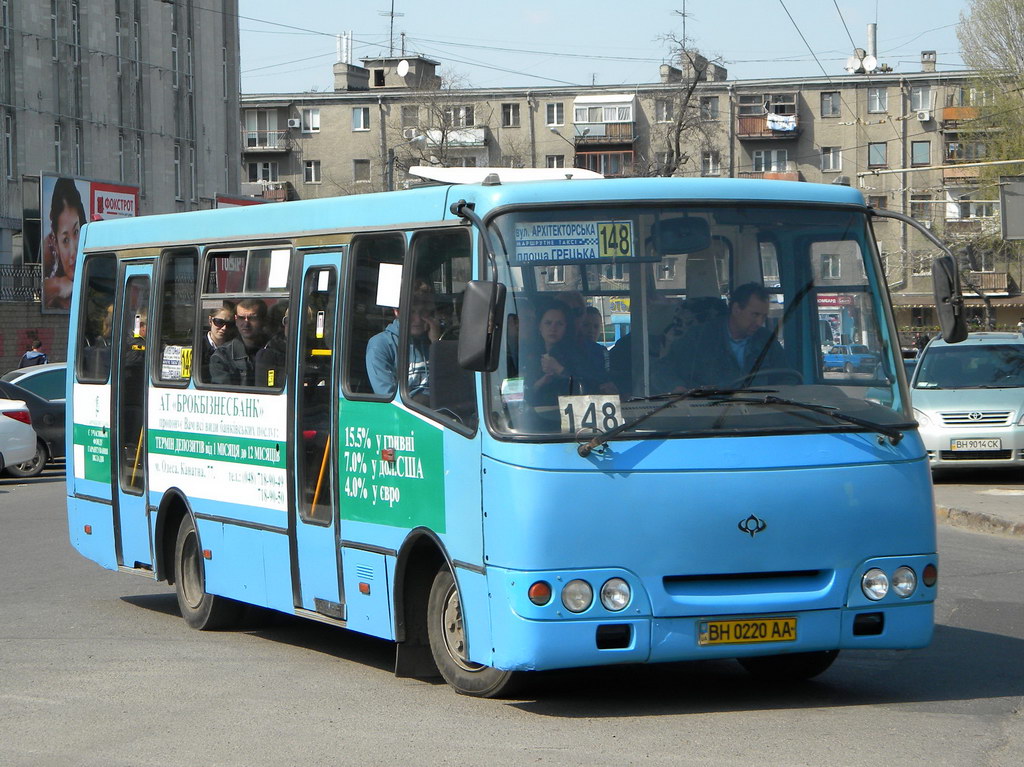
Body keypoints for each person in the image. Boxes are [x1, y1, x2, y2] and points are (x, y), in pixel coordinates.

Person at [654, 282, 787, 390]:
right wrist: (677, 388)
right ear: (736, 309)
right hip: (710, 416)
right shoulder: (699, 337)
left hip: (759, 414)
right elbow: (663, 369)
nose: (759, 322)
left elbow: (787, 377)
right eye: (755, 315)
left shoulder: (766, 340)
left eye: (763, 316)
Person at [366, 284, 440, 399]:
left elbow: (451, 384)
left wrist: (436, 344)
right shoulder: (381, 344)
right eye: (411, 312)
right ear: (397, 312)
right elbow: (387, 396)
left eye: (423, 312)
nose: (418, 319)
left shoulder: (433, 340)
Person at [43, 178, 87, 311]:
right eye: (65, 240)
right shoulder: (47, 250)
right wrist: (58, 285)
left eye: (76, 232)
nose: (73, 251)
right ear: (55, 242)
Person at [209, 298, 268, 386]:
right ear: (236, 319)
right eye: (241, 318)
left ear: (263, 320)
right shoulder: (222, 356)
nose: (246, 324)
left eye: (252, 318)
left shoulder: (274, 349)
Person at [199, 302, 237, 380]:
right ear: (210, 321)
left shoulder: (235, 348)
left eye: (229, 324)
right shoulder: (198, 347)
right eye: (219, 322)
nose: (224, 328)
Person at [254, 303, 288, 387]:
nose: (294, 324)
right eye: (287, 320)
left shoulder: (319, 351)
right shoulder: (268, 354)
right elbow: (267, 392)